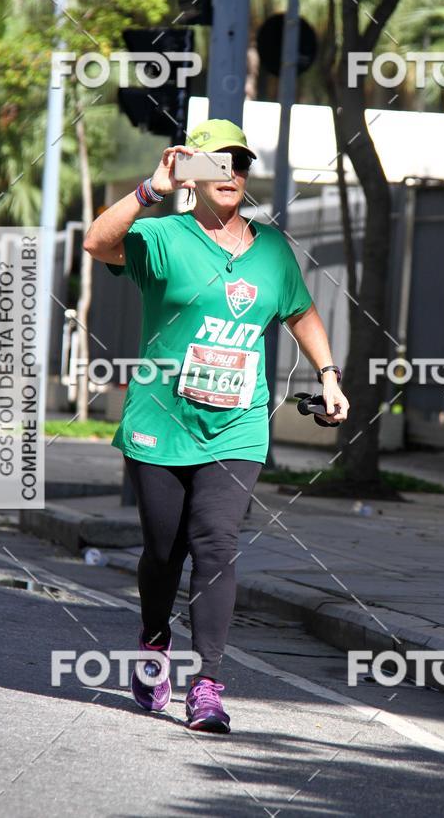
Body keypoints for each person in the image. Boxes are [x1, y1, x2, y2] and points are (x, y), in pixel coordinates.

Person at [83, 118, 349, 733]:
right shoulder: (162, 236)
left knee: (216, 544)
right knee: (163, 552)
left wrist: (329, 374)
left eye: (240, 163)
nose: (230, 173)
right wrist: (150, 189)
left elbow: (301, 312)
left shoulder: (272, 249)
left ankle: (207, 685)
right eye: (215, 162)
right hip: (161, 421)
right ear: (190, 172)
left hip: (238, 423)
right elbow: (97, 242)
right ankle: (154, 644)